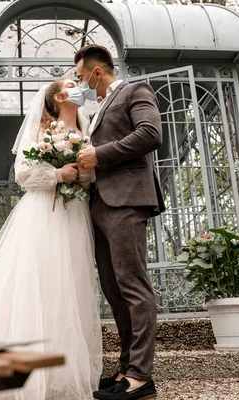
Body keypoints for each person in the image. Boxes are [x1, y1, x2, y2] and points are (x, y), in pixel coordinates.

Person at [0, 78, 102, 400]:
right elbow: (23, 174)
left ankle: (61, 371)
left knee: (69, 285)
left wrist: (82, 173)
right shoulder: (44, 129)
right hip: (43, 212)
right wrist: (59, 174)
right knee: (37, 281)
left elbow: (91, 176)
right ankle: (20, 371)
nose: (80, 87)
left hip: (75, 213)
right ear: (59, 96)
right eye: (72, 84)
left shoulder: (89, 128)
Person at [76, 44, 165, 400]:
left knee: (133, 286)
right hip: (99, 204)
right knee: (114, 292)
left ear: (98, 72)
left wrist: (99, 154)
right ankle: (126, 370)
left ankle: (141, 378)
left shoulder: (135, 90)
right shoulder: (96, 110)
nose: (80, 84)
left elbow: (150, 134)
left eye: (82, 77)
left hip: (127, 200)